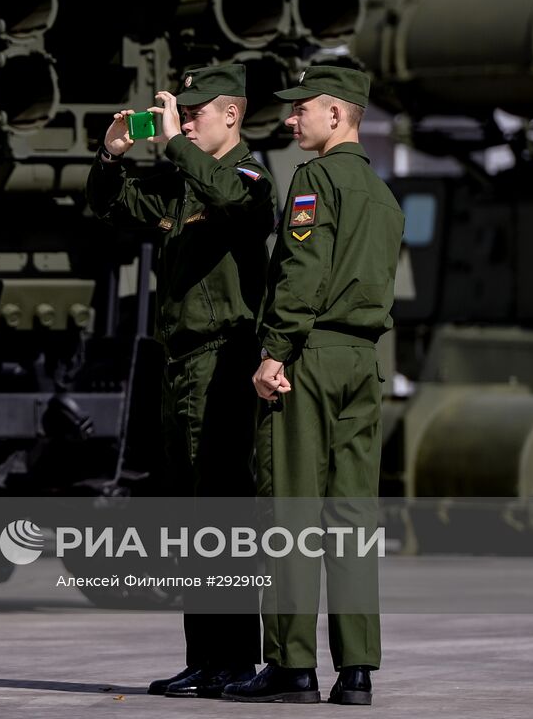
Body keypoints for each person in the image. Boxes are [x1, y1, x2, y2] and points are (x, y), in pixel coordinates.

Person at [85, 63, 273, 700]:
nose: (184, 120)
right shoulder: (186, 187)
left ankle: (236, 658)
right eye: (180, 111)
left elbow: (230, 199)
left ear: (233, 116)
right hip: (182, 363)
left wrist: (175, 146)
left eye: (196, 112)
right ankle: (206, 657)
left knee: (222, 512)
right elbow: (111, 206)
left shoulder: (249, 177)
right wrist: (112, 157)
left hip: (225, 359)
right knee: (192, 516)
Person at [223, 65, 403, 706]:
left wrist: (274, 353)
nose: (291, 119)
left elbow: (302, 273)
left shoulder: (315, 180)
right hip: (363, 362)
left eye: (303, 109)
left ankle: (292, 668)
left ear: (338, 115)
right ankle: (357, 674)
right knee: (353, 520)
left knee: (292, 514)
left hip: (311, 358)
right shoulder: (383, 196)